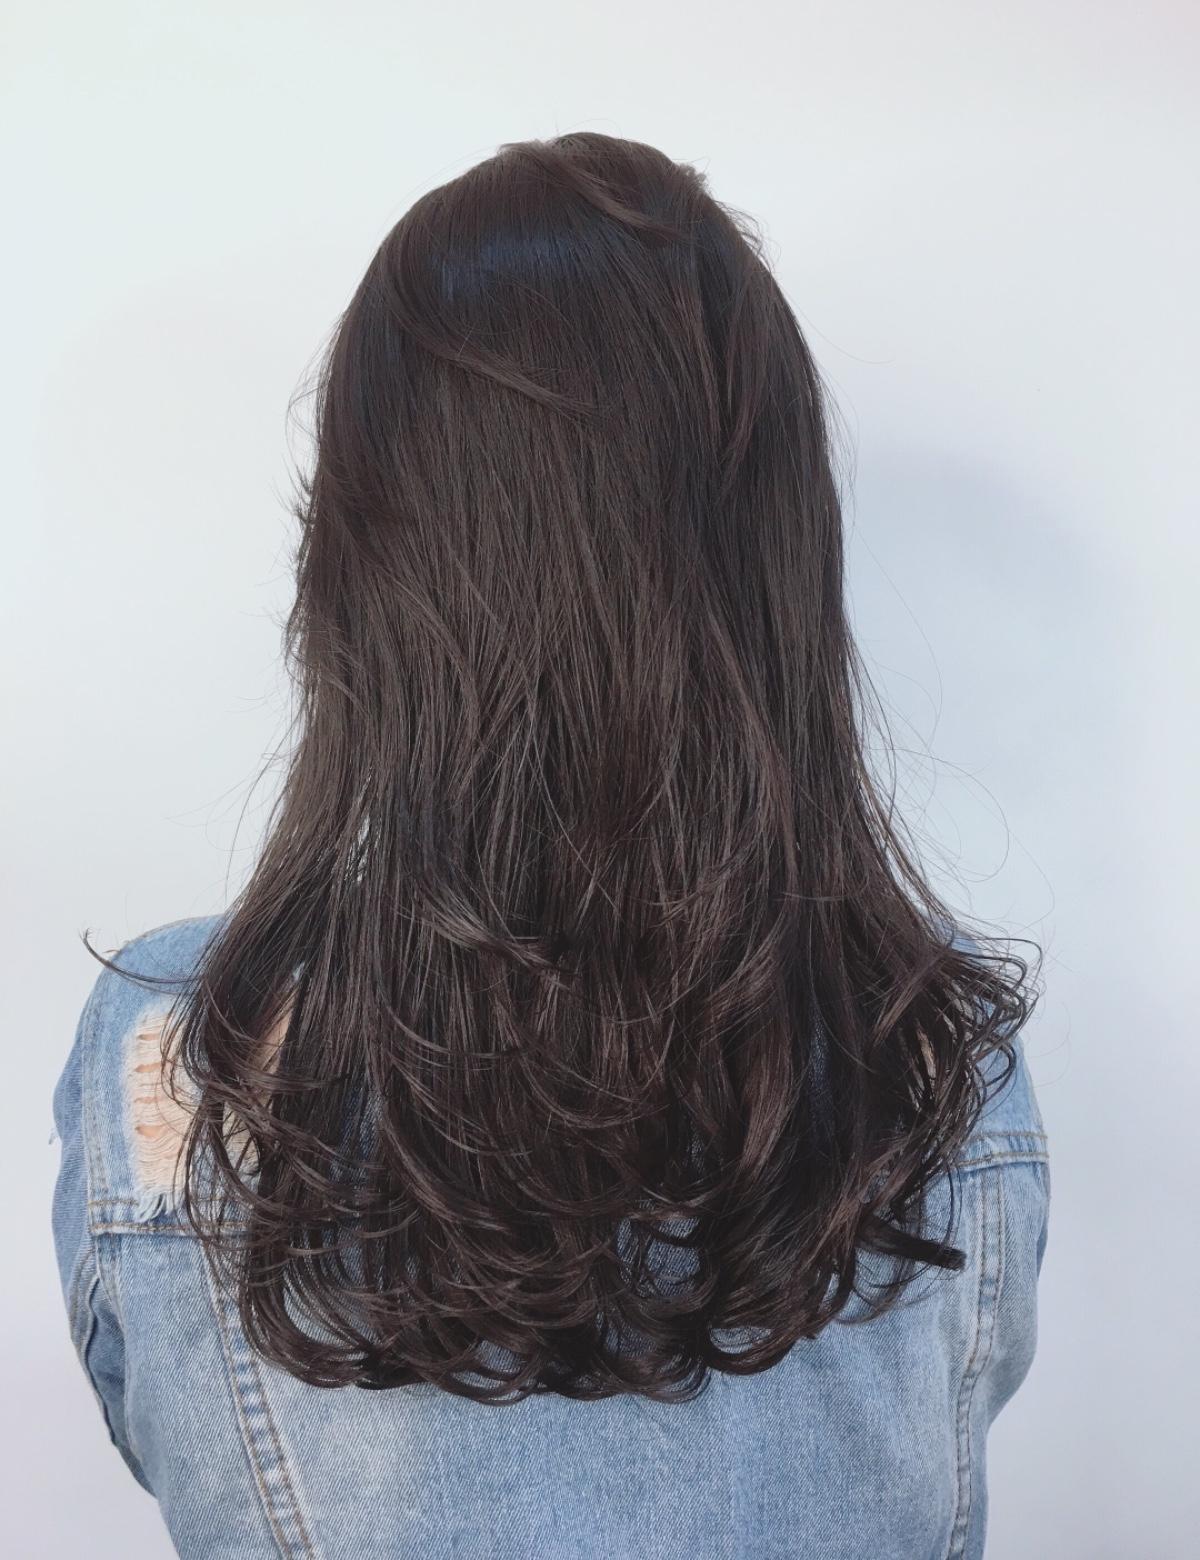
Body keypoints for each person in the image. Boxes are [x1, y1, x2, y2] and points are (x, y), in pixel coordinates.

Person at [51, 132, 1049, 1559]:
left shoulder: (181, 1052)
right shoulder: (928, 1049)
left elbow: (156, 1422)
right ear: (775, 564)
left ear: (366, 566)